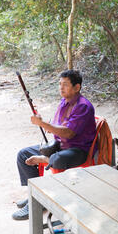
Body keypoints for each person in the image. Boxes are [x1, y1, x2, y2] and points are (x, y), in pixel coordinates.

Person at [12, 70, 97, 220]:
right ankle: (35, 195)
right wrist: (42, 121)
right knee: (23, 154)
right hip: (60, 145)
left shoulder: (83, 106)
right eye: (60, 84)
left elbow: (69, 133)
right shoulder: (64, 102)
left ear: (77, 87)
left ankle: (44, 164)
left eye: (65, 85)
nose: (61, 88)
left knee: (58, 160)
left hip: (77, 149)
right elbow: (56, 126)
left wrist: (43, 124)